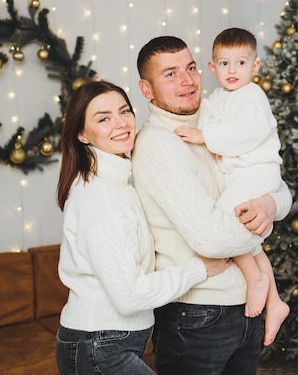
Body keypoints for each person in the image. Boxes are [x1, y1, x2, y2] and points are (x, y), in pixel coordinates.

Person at [132, 36, 292, 375]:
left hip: (244, 309)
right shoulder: (158, 145)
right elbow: (214, 241)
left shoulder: (220, 118)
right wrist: (268, 215)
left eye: (190, 68)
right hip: (197, 315)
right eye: (171, 74)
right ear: (147, 90)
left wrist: (268, 203)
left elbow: (276, 182)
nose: (188, 80)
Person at [54, 79, 231, 375]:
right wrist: (200, 268)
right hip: (98, 345)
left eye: (124, 111)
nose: (121, 124)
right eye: (103, 119)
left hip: (108, 342)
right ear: (82, 135)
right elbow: (130, 295)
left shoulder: (117, 184)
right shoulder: (101, 197)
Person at [173, 28, 289, 326]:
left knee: (224, 219)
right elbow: (209, 119)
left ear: (255, 66)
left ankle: (255, 278)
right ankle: (275, 303)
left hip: (258, 171)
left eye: (241, 62)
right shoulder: (216, 98)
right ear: (212, 68)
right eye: (224, 64)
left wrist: (205, 137)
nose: (232, 70)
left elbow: (251, 130)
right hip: (239, 175)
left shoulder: (253, 96)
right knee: (246, 233)